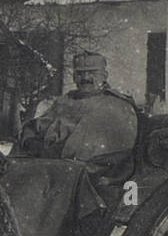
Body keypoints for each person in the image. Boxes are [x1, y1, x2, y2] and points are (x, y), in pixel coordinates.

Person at [15, 51, 138, 183]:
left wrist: (57, 154)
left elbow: (114, 153)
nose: (85, 78)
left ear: (104, 76)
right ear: (74, 77)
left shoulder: (117, 105)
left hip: (84, 177)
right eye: (80, 73)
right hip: (47, 168)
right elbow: (36, 126)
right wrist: (30, 141)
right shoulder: (65, 101)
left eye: (92, 73)